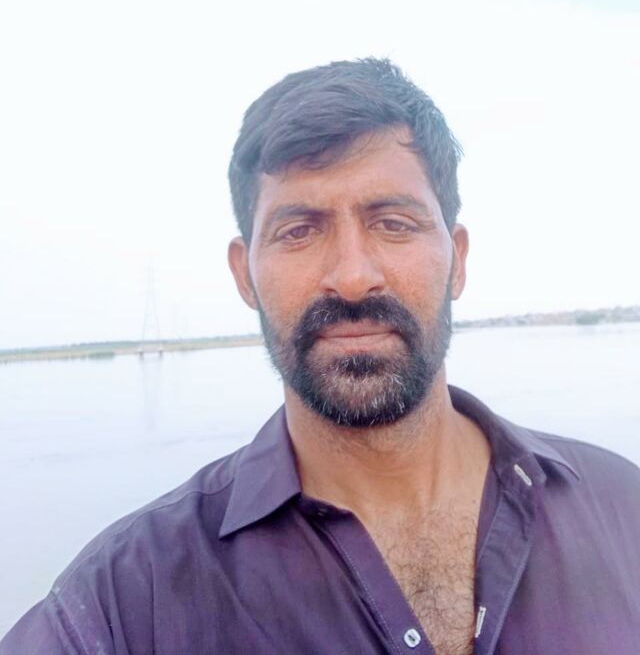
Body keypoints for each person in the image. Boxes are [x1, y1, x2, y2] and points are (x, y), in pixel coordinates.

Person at [2, 58, 638, 655]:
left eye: (393, 223)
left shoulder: (622, 508)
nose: (353, 277)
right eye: (299, 231)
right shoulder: (122, 600)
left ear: (457, 261)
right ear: (245, 276)